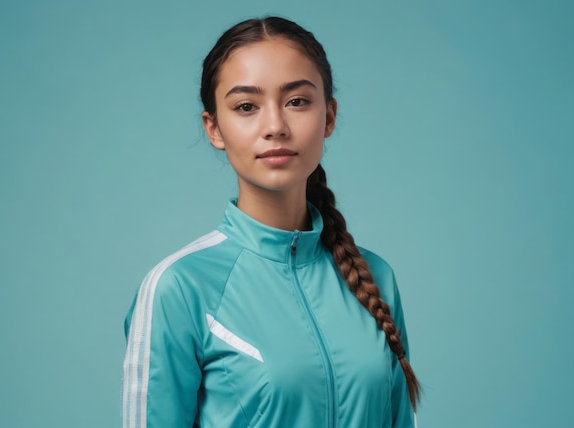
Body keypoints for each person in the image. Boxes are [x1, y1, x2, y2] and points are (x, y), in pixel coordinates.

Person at [122, 16, 420, 428]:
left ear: (329, 116)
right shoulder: (180, 288)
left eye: (297, 101)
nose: (275, 127)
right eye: (246, 107)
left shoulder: (376, 277)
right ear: (214, 128)